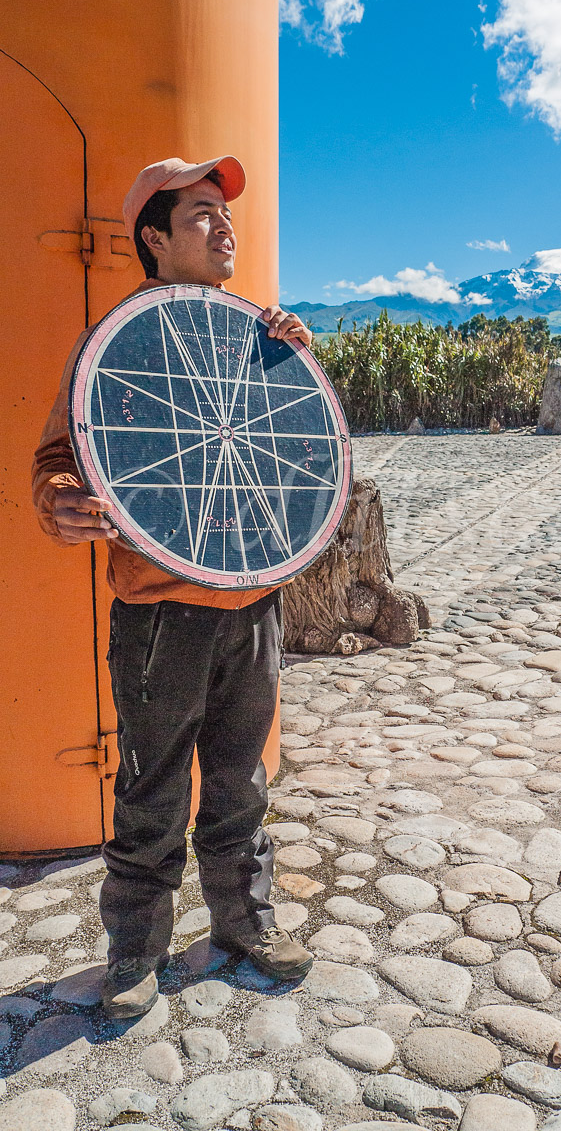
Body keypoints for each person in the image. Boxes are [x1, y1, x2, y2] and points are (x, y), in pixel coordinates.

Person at [32, 156, 315, 1019]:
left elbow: (294, 451)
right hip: (160, 613)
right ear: (151, 237)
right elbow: (55, 462)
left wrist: (294, 368)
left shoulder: (259, 337)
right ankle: (134, 953)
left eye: (224, 213)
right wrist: (59, 504)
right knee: (152, 787)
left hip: (252, 603)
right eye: (199, 214)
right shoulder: (114, 350)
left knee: (239, 783)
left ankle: (244, 923)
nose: (224, 226)